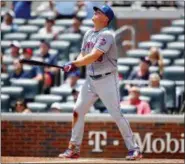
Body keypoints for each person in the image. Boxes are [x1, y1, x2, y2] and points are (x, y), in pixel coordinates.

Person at [58, 5, 142, 160]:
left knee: (116, 114)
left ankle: (134, 148)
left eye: (99, 12)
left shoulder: (107, 34)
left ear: (106, 19)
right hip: (90, 79)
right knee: (78, 111)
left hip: (107, 79)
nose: (95, 13)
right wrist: (73, 63)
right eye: (96, 11)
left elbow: (94, 56)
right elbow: (82, 55)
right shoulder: (89, 33)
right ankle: (74, 149)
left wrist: (74, 64)